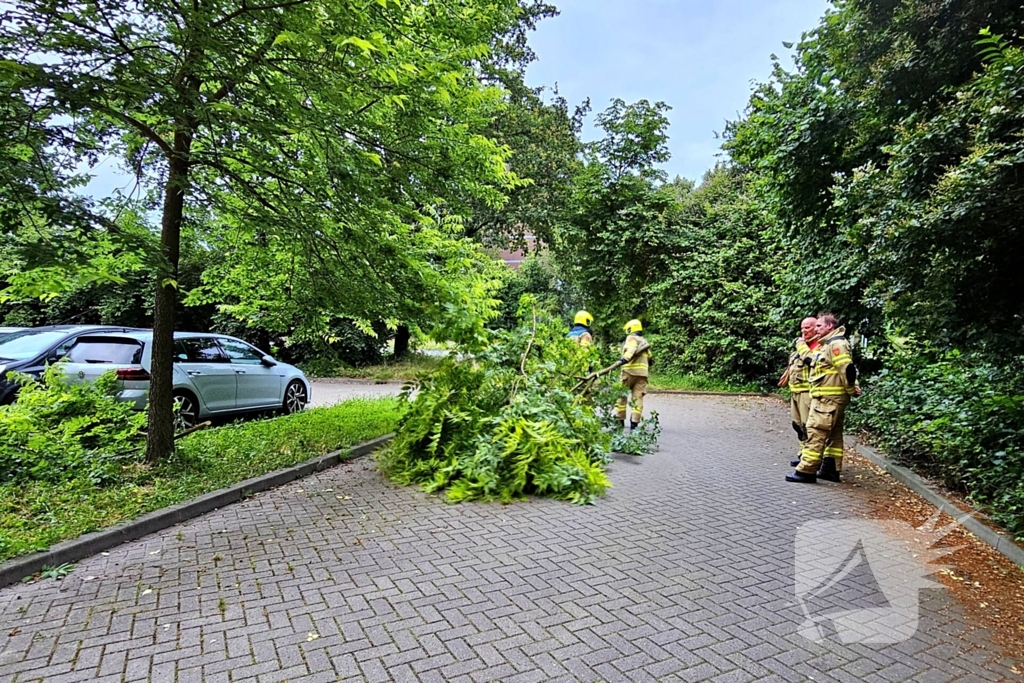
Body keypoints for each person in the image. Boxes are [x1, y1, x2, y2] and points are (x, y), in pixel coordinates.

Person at [787, 313, 861, 484]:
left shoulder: (836, 344)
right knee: (834, 435)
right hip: (831, 398)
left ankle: (806, 471)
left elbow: (847, 369)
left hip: (828, 398)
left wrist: (851, 390)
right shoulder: (830, 344)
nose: (816, 329)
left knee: (815, 431)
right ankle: (830, 469)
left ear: (830, 327)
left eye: (819, 326)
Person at [781, 317, 819, 468]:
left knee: (807, 425)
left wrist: (801, 345)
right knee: (797, 425)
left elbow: (811, 361)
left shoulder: (817, 346)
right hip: (795, 391)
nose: (804, 331)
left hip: (807, 392)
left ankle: (810, 457)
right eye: (802, 328)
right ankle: (802, 452)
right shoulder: (802, 346)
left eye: (808, 328)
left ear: (816, 328)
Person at [615, 319, 651, 430]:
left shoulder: (631, 338)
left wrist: (624, 359)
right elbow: (650, 357)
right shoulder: (645, 342)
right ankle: (634, 423)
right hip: (642, 375)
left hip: (629, 373)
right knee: (638, 398)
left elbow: (631, 349)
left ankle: (620, 420)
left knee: (622, 396)